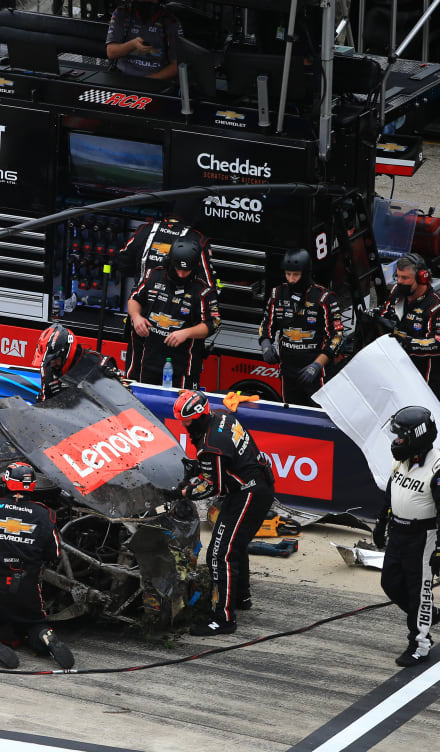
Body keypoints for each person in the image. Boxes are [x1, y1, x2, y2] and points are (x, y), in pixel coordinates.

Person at [173, 389, 276, 635]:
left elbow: (213, 486)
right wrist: (199, 468)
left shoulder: (210, 445)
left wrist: (184, 492)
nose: (184, 425)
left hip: (248, 493)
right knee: (235, 545)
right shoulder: (222, 416)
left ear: (197, 416)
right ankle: (241, 597)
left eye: (185, 421)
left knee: (219, 554)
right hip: (257, 485)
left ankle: (223, 618)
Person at [0, 462, 75, 670]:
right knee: (33, 623)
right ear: (32, 485)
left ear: (6, 480)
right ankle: (44, 636)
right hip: (26, 586)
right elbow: (54, 553)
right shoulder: (45, 514)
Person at [373, 406, 440, 667]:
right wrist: (381, 522)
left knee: (419, 592)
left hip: (422, 537)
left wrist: (439, 551)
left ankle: (420, 643)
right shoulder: (401, 461)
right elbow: (391, 492)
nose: (396, 441)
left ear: (418, 437)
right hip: (398, 532)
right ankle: (427, 615)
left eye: (401, 437)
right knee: (390, 583)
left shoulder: (436, 467)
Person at [126, 239, 221, 388]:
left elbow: (213, 324)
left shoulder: (203, 290)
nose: (182, 275)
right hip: (145, 360)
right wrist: (136, 317)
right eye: (178, 269)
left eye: (187, 270)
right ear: (170, 262)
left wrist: (186, 333)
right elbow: (134, 299)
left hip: (182, 367)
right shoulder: (153, 275)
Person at [258, 248, 345, 406]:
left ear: (305, 273)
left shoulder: (324, 298)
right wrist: (265, 343)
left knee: (318, 419)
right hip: (288, 372)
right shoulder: (277, 294)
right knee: (291, 417)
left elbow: (337, 336)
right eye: (288, 274)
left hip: (317, 373)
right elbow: (266, 325)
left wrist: (317, 365)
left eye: (296, 275)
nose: (291, 279)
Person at [379, 253, 440, 399]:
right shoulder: (396, 292)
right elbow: (386, 313)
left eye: (405, 278)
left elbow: (437, 343)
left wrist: (406, 344)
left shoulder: (435, 306)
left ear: (422, 278)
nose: (399, 282)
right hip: (396, 367)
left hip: (424, 377)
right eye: (398, 276)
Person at [29, 323, 125, 400]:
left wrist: (73, 390)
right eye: (49, 361)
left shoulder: (100, 363)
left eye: (55, 359)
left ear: (67, 352)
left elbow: (123, 401)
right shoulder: (48, 369)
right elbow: (41, 408)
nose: (52, 364)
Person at [117, 210, 214, 285]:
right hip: (178, 303)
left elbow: (122, 262)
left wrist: (140, 276)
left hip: (141, 299)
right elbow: (206, 278)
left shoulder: (145, 229)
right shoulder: (198, 238)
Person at [105, 0, 183, 80]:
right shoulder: (122, 13)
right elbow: (111, 52)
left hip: (156, 80)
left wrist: (148, 81)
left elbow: (176, 65)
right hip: (122, 76)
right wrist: (132, 45)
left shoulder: (170, 21)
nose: (147, 0)